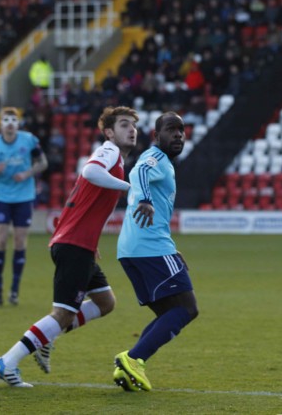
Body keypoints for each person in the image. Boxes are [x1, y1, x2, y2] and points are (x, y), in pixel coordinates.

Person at [0, 106, 138, 387]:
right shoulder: (109, 151)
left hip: (79, 244)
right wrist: (128, 186)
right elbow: (90, 172)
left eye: (133, 125)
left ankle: (48, 337)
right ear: (109, 132)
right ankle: (7, 362)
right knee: (62, 314)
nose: (131, 129)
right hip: (73, 245)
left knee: (106, 302)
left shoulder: (116, 158)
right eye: (123, 124)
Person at [112, 111, 198, 392]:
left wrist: (172, 249)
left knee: (170, 312)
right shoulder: (156, 159)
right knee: (186, 308)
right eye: (171, 130)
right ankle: (134, 357)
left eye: (181, 130)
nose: (178, 135)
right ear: (156, 136)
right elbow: (140, 171)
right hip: (149, 247)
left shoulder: (166, 164)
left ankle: (128, 365)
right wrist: (146, 200)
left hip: (134, 249)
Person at [0, 107, 48, 306]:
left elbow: (43, 163)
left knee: (19, 241)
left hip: (24, 196)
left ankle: (14, 291)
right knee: (0, 240)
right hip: (2, 196)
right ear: (1, 124)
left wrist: (27, 174)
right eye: (6, 120)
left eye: (13, 120)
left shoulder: (29, 140)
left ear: (18, 124)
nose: (9, 123)